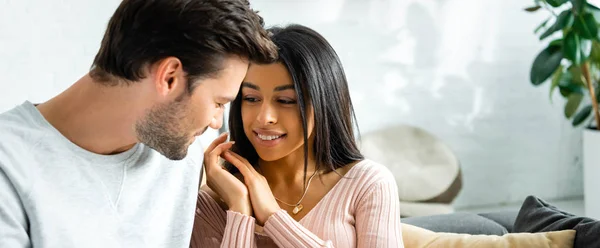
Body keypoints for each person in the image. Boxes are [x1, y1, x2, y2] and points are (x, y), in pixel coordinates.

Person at [0, 0, 277, 247]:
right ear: (169, 77)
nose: (217, 121)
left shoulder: (184, 149)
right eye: (218, 102)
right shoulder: (10, 169)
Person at [192, 24, 404, 247]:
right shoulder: (217, 196)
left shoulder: (368, 184)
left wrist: (273, 217)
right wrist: (239, 209)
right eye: (251, 99)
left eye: (285, 101)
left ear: (324, 104)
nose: (264, 118)